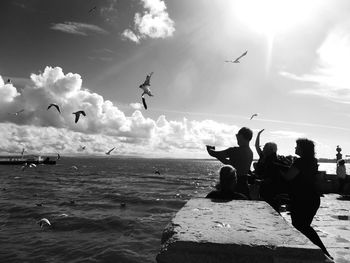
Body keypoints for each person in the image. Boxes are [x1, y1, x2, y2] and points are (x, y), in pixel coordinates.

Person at [280, 138, 332, 260]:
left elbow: (288, 177)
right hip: (311, 198)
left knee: (301, 226)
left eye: (297, 146)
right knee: (303, 226)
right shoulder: (312, 161)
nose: (295, 148)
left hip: (302, 199)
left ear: (302, 149)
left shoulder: (300, 162)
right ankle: (317, 253)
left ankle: (323, 254)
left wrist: (278, 171)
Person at [206, 127, 253, 198]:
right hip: (244, 185)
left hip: (233, 186)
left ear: (241, 136)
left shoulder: (234, 151)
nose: (236, 137)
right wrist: (216, 155)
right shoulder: (250, 152)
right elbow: (228, 163)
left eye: (237, 135)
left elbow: (215, 154)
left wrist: (210, 150)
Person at [254, 129, 290, 211]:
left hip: (270, 189)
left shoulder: (275, 160)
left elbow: (273, 176)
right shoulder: (263, 156)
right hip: (261, 186)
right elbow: (256, 146)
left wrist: (260, 181)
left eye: (265, 147)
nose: (263, 149)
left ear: (271, 150)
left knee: (271, 207)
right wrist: (258, 134)